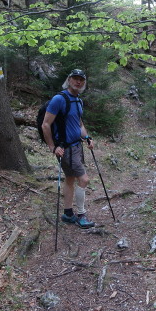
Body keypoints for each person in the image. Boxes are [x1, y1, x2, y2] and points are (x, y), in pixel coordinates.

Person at [42, 69, 95, 228]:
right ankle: (81, 214)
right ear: (69, 80)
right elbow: (45, 125)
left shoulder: (78, 100)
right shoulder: (59, 99)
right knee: (84, 179)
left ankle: (67, 213)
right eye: (75, 79)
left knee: (70, 180)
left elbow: (79, 124)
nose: (78, 82)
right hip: (65, 149)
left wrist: (87, 138)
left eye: (81, 80)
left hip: (77, 147)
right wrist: (53, 147)